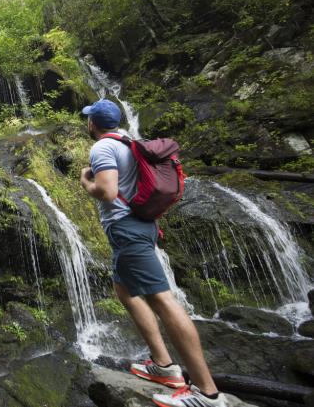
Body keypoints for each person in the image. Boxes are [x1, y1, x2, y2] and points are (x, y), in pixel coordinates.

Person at [79, 99, 227, 407]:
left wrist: (86, 183)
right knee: (125, 291)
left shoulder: (102, 148)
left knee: (162, 299)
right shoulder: (129, 143)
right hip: (142, 225)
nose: (87, 124)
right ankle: (162, 364)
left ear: (93, 123)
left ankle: (207, 393)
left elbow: (107, 192)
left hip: (127, 230)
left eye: (88, 120)